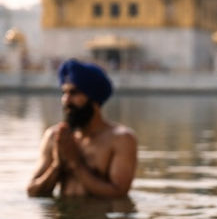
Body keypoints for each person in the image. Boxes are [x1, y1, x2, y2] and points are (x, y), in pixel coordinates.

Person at [27, 59, 137, 198]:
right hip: (61, 217)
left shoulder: (121, 139)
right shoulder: (55, 136)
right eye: (64, 93)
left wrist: (75, 163)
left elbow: (118, 193)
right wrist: (57, 165)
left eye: (74, 93)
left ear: (94, 99)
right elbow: (32, 191)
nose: (66, 100)